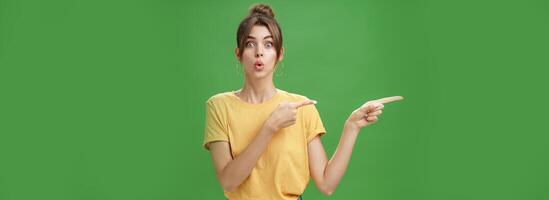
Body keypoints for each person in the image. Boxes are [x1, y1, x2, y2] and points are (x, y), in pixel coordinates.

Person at [203, 3, 404, 200]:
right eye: (250, 44)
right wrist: (270, 126)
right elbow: (228, 181)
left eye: (268, 44)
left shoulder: (301, 107)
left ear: (279, 54)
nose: (259, 52)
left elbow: (326, 184)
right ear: (238, 54)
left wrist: (351, 127)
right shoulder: (219, 106)